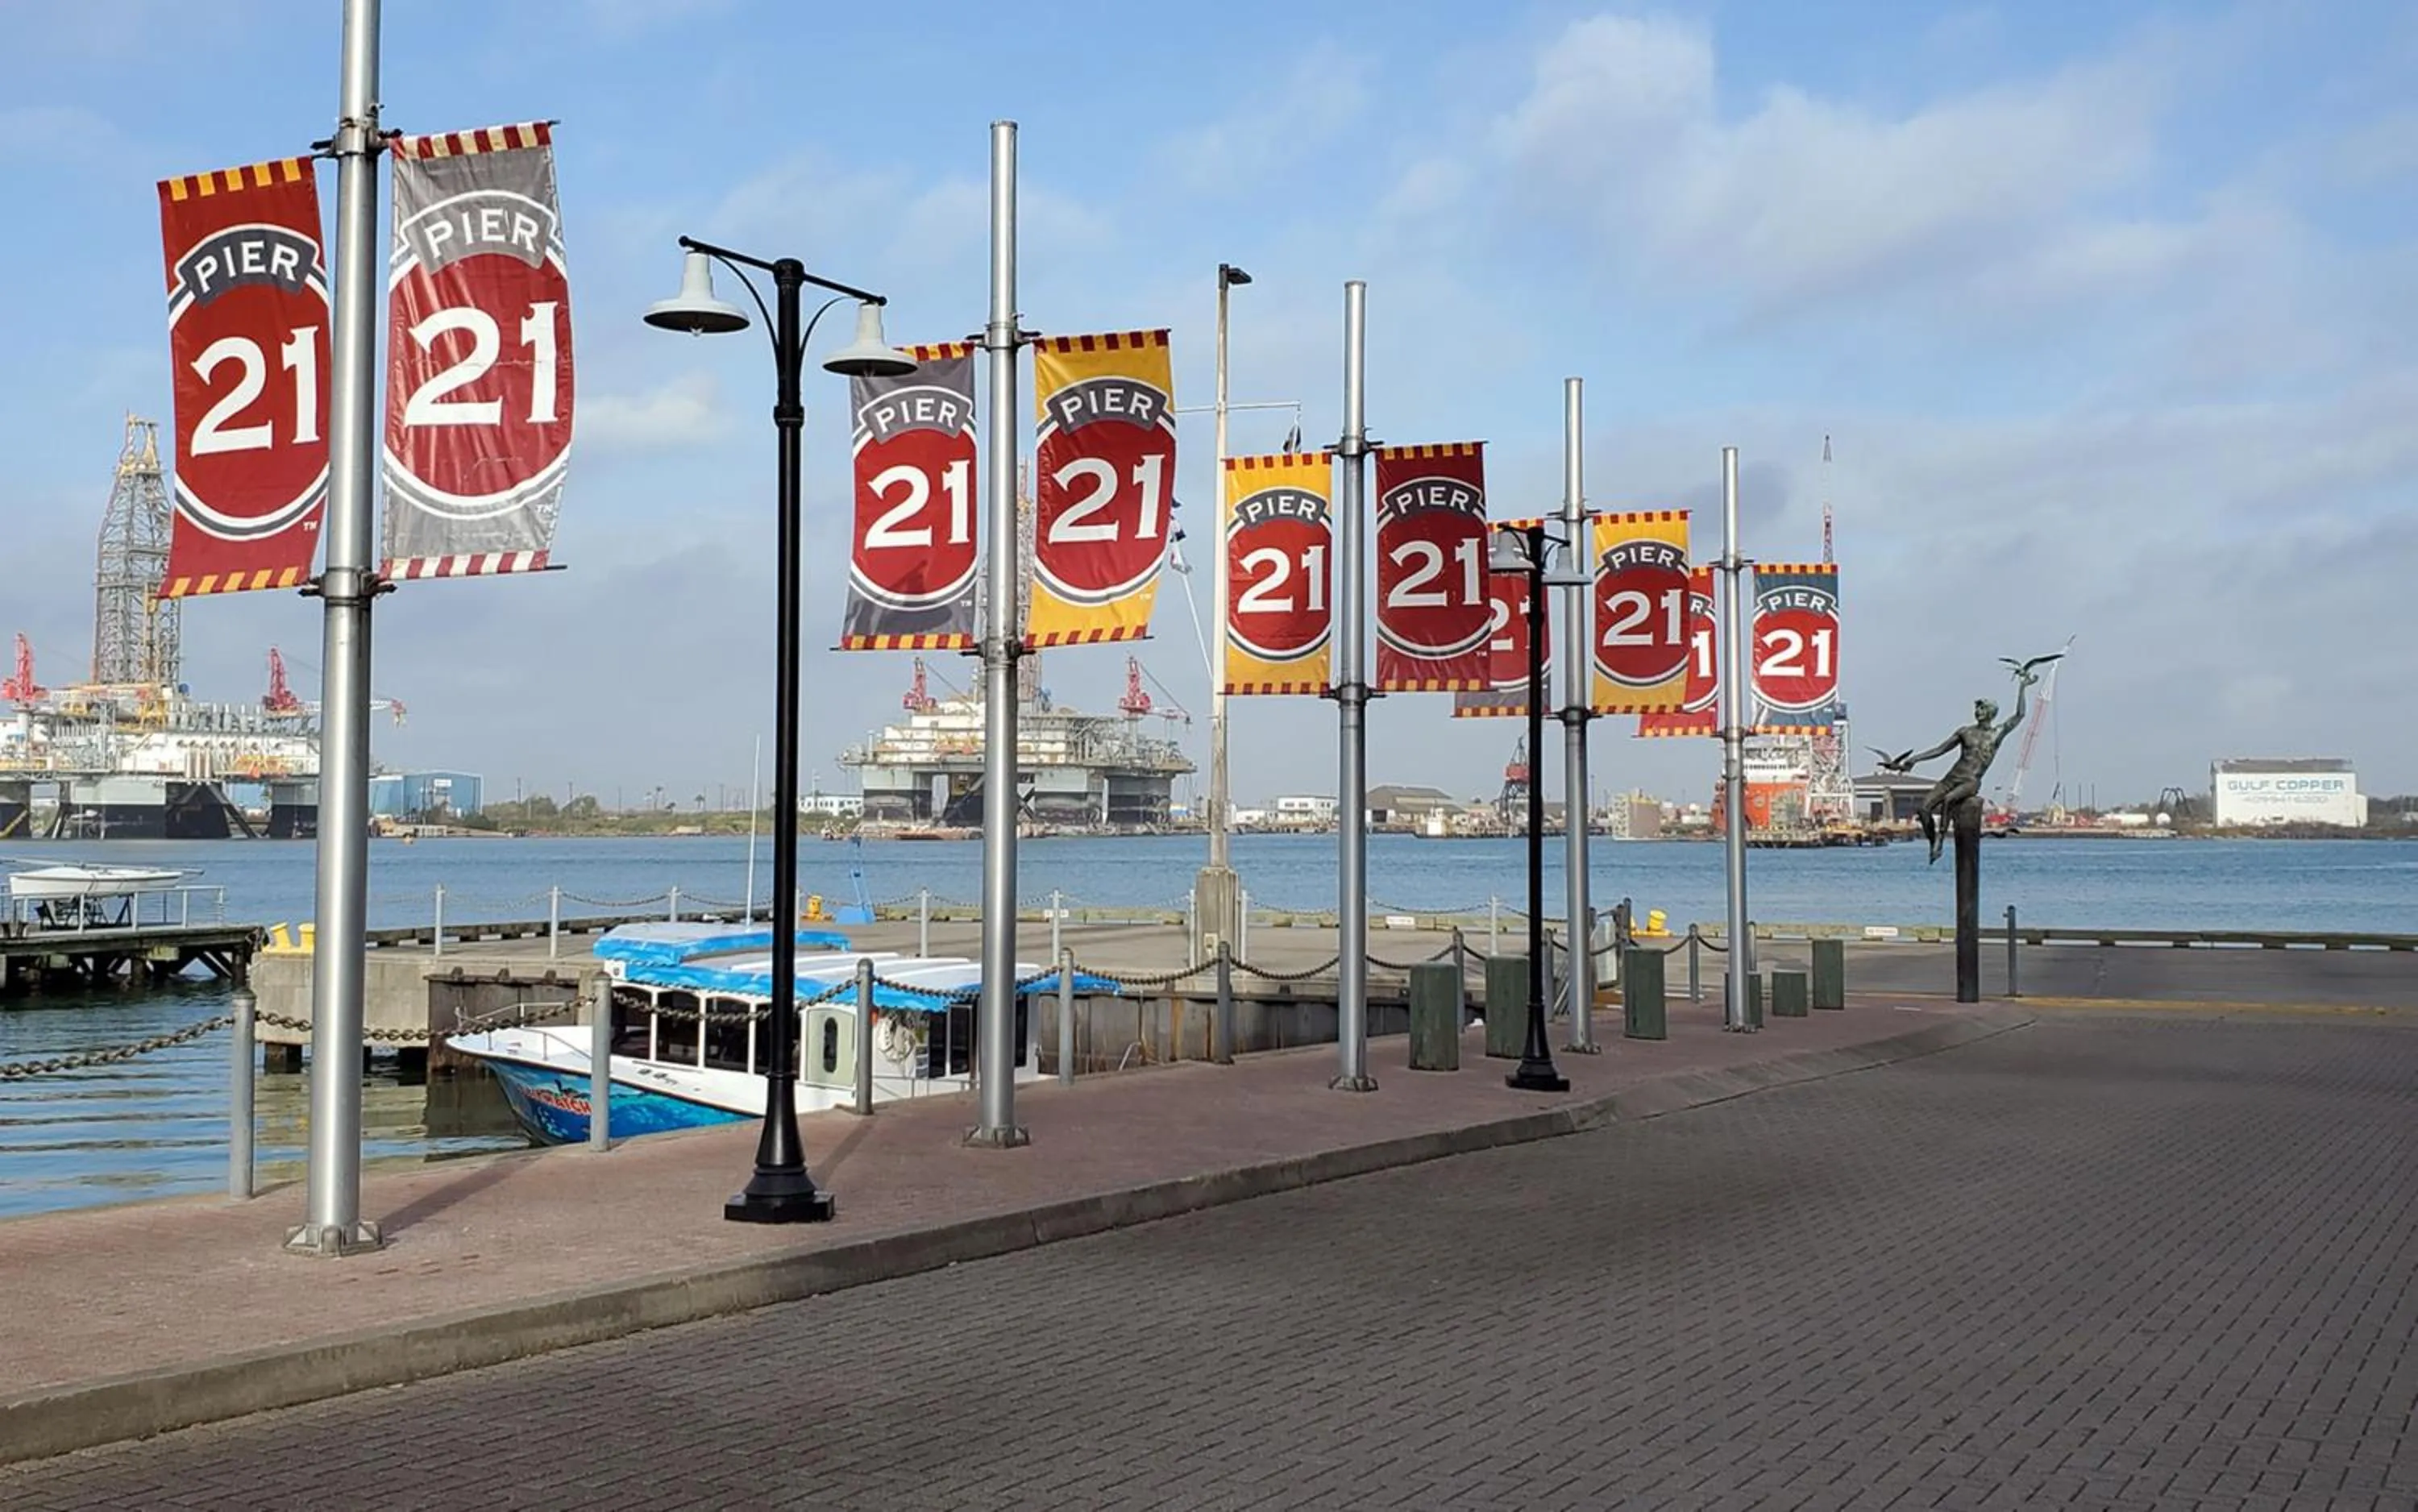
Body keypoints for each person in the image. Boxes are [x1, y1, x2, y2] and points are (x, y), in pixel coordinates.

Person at [1882, 670, 2037, 865]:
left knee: (1949, 800)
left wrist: (2022, 687)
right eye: (1977, 708)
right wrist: (1915, 759)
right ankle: (1933, 842)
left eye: (1982, 709)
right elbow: (1940, 749)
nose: (1978, 712)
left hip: (1971, 781)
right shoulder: (1965, 732)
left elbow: (2019, 715)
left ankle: (1940, 841)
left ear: (1991, 713)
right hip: (1951, 778)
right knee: (1923, 809)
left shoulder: (1997, 733)